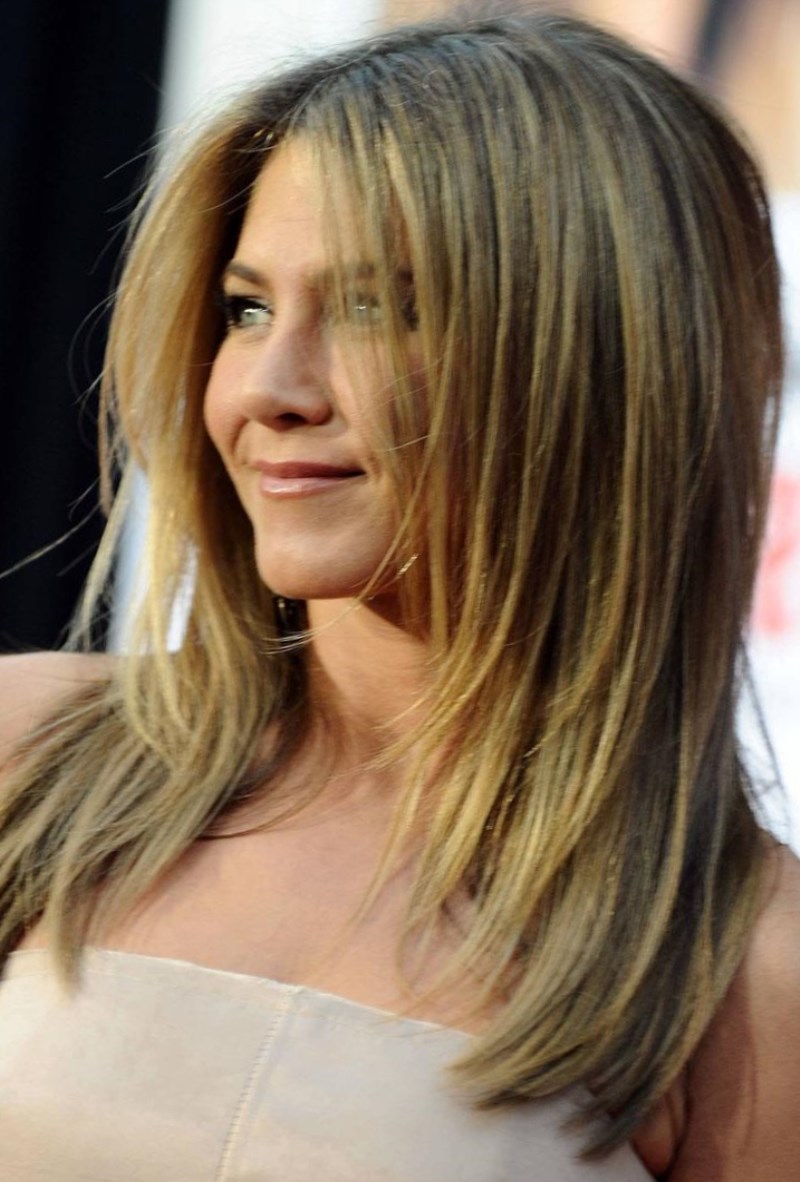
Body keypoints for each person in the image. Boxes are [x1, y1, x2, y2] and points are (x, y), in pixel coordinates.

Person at [0, 9, 797, 1179]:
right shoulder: (28, 759)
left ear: (598, 359)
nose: (270, 388)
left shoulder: (745, 967)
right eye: (247, 308)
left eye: (378, 307)